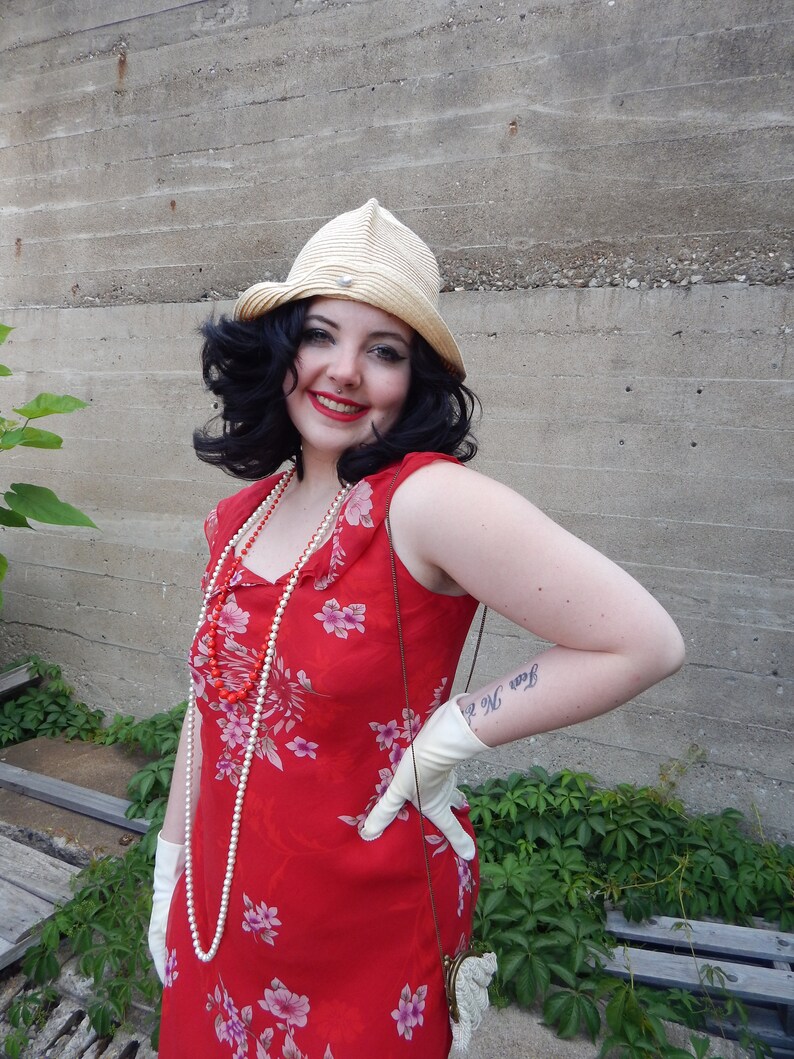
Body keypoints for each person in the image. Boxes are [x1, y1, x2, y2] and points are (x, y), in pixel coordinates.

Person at [149, 199, 685, 1058]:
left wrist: (455, 729)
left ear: (415, 379)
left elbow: (641, 640)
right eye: (321, 335)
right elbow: (206, 703)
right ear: (282, 348)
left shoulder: (424, 502)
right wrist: (171, 857)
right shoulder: (236, 521)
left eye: (384, 350)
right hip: (219, 914)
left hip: (362, 920)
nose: (345, 371)